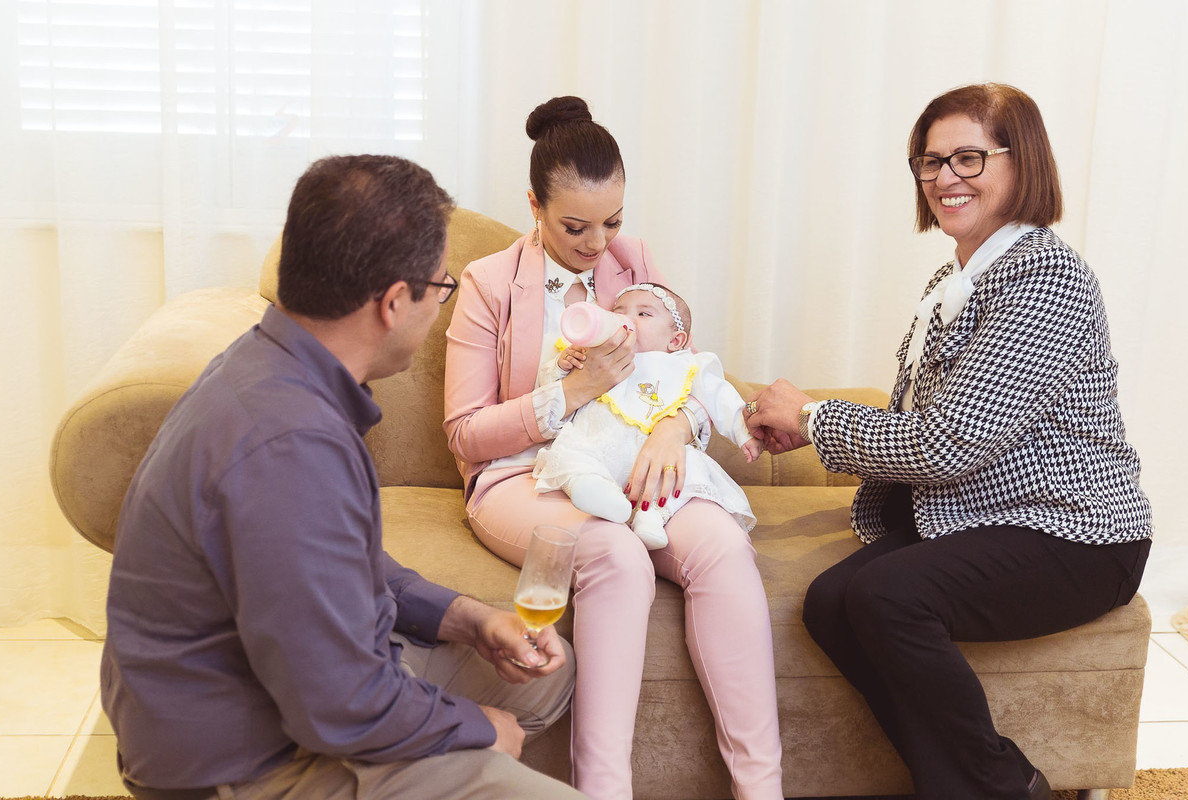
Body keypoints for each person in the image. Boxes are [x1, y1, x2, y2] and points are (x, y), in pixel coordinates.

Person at [102, 154, 586, 800]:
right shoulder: (290, 446)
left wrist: (470, 618)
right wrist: (473, 728)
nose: (442, 307)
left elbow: (347, 565)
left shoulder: (276, 367)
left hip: (292, 691)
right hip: (239, 763)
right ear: (392, 303)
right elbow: (341, 703)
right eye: (441, 289)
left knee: (548, 674)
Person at [745, 83, 1152, 800]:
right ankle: (974, 780)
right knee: (830, 602)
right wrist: (806, 428)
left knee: (888, 597)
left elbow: (948, 443)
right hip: (991, 516)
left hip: (1075, 533)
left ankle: (999, 787)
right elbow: (928, 424)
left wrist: (814, 420)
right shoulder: (955, 278)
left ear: (1021, 163)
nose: (943, 179)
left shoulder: (1045, 276)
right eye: (930, 162)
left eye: (968, 157)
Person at [444, 96, 783, 799]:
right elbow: (465, 435)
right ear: (534, 205)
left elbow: (682, 369)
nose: (600, 245)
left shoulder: (635, 263)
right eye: (576, 226)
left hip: (633, 455)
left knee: (721, 545)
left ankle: (761, 789)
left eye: (614, 222)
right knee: (614, 551)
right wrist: (570, 394)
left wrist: (674, 426)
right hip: (525, 475)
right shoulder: (486, 284)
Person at [533, 282, 761, 550]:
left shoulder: (687, 365)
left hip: (656, 455)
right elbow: (550, 391)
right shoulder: (593, 352)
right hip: (598, 443)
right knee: (571, 453)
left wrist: (745, 432)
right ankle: (593, 490)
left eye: (643, 314)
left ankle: (653, 515)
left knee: (690, 466)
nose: (627, 319)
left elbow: (721, 396)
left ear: (675, 340)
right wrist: (561, 365)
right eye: (619, 311)